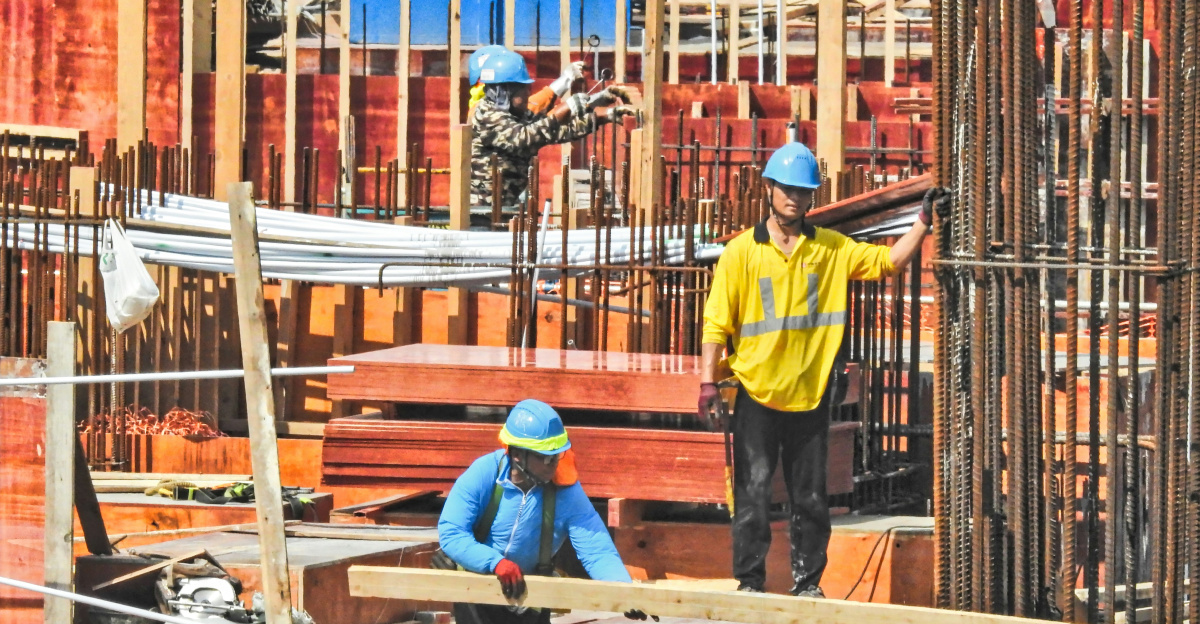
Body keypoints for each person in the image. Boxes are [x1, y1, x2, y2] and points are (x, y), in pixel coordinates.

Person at [698, 142, 949, 597]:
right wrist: (707, 383)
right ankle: (749, 584)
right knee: (752, 499)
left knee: (810, 502)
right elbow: (716, 323)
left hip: (810, 399)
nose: (795, 198)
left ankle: (807, 585)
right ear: (769, 188)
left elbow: (888, 262)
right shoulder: (739, 253)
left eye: (803, 191)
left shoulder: (830, 250)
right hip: (756, 395)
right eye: (787, 188)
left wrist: (922, 222)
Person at [438, 399, 648, 624]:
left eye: (557, 456)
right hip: (478, 587)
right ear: (517, 454)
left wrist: (625, 592)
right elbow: (452, 532)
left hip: (529, 595)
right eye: (545, 457)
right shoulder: (485, 473)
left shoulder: (566, 490)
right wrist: (495, 562)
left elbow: (597, 550)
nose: (553, 464)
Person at [469, 50, 634, 207]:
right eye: (524, 89)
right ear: (505, 91)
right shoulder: (486, 113)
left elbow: (555, 131)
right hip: (482, 208)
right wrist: (564, 109)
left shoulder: (513, 114)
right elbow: (523, 138)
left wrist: (603, 115)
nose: (528, 94)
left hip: (501, 205)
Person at [467, 45, 586, 117]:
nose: (526, 92)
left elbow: (533, 113)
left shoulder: (504, 107)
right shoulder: (482, 113)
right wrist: (564, 82)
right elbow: (530, 128)